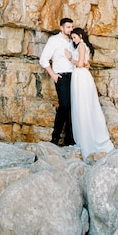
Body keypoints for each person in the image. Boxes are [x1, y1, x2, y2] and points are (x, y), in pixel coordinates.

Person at [65, 27, 114, 161]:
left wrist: (70, 58)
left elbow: (80, 64)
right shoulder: (84, 46)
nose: (73, 40)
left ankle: (87, 140)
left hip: (80, 76)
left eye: (74, 37)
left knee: (83, 106)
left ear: (80, 36)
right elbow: (86, 63)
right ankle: (86, 136)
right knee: (85, 105)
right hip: (82, 75)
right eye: (72, 38)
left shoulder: (81, 46)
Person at [39, 17, 75, 146]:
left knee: (72, 107)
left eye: (71, 27)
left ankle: (69, 140)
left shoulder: (73, 41)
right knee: (64, 106)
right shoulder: (54, 40)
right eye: (68, 27)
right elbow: (43, 59)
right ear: (62, 28)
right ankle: (55, 138)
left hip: (74, 77)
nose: (70, 29)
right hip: (61, 77)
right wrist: (53, 74)